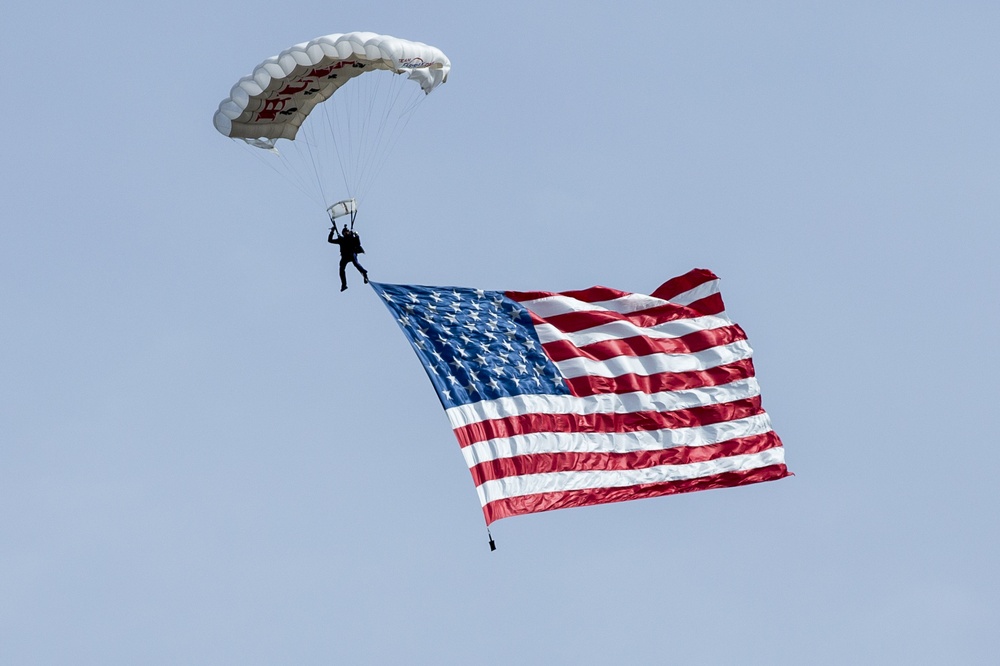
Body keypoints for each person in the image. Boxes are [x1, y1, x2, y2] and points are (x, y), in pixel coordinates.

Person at [328, 224, 368, 291]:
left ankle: (364, 273)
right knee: (341, 269)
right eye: (344, 232)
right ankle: (344, 285)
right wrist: (332, 231)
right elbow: (330, 240)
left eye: (347, 232)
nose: (346, 233)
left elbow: (358, 244)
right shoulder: (341, 239)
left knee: (356, 263)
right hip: (345, 256)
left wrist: (357, 235)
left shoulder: (352, 238)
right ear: (343, 234)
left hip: (352, 254)